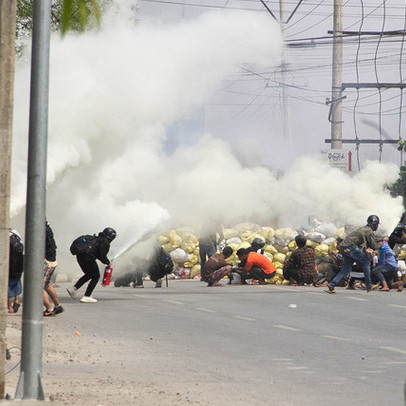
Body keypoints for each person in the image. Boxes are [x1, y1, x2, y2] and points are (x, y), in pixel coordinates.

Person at [327, 215, 380, 294]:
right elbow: (373, 245)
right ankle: (369, 285)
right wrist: (381, 244)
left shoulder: (363, 228)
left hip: (343, 247)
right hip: (350, 248)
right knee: (366, 262)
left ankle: (332, 284)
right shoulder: (369, 231)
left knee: (346, 269)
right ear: (375, 224)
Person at [67, 227, 117, 303]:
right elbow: (102, 256)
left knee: (89, 274)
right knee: (96, 276)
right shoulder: (105, 242)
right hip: (88, 257)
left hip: (80, 256)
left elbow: (98, 254)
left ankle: (73, 289)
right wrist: (108, 262)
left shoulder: (96, 239)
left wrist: (106, 261)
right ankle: (87, 296)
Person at [43, 221, 64, 316]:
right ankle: (57, 306)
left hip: (46, 262)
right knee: (46, 284)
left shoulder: (40, 230)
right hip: (51, 261)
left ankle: (49, 309)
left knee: (36, 287)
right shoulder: (47, 228)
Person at [199, 218, 224, 282]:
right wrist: (218, 242)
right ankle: (211, 276)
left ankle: (203, 276)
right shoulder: (216, 224)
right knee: (213, 260)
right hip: (209, 244)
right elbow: (221, 236)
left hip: (201, 243)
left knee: (203, 261)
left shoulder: (206, 222)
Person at [8, 229, 24, 314]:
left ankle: (9, 307)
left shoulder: (5, 238)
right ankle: (17, 300)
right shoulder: (16, 233)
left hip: (9, 265)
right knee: (17, 282)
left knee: (6, 286)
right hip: (19, 265)